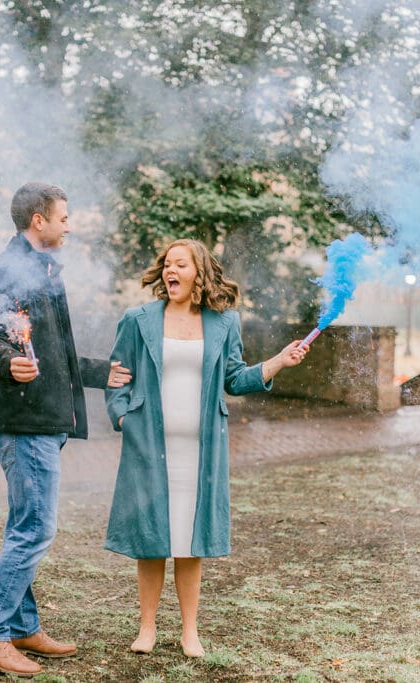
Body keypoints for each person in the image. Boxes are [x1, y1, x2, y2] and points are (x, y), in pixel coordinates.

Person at [104, 238, 307, 658]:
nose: (169, 271)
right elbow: (117, 377)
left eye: (180, 264)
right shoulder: (138, 319)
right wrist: (122, 417)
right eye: (166, 264)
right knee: (151, 538)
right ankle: (147, 628)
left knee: (189, 540)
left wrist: (277, 363)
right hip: (148, 446)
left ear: (199, 273)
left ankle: (190, 631)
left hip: (200, 452)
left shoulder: (223, 322)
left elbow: (234, 378)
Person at [0, 182, 130, 678]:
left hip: (44, 421)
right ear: (39, 220)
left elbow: (53, 355)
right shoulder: (5, 272)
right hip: (25, 423)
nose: (68, 225)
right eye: (63, 217)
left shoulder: (43, 270)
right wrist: (7, 360)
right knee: (36, 529)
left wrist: (101, 373)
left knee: (25, 526)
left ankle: (21, 625)